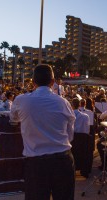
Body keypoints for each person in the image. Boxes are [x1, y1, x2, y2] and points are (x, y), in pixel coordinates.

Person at [10, 65, 76, 200]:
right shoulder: (64, 103)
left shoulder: (21, 100)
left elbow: (13, 120)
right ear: (53, 82)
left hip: (36, 165)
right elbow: (70, 135)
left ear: (33, 82)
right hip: (63, 161)